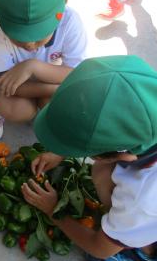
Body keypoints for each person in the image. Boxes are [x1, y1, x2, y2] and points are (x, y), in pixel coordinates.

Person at [22, 55, 157, 260]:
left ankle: (141, 245)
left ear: (121, 155)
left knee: (101, 252)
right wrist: (62, 150)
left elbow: (99, 248)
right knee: (102, 171)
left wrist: (53, 211)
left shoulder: (141, 200)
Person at [0, 0, 88, 141]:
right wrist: (55, 89)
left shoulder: (70, 21)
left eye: (39, 35)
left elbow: (77, 73)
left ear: (61, 9)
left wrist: (32, 66)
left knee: (59, 107)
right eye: (18, 36)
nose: (29, 44)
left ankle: (43, 104)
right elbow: (5, 83)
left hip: (50, 75)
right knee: (19, 110)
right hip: (17, 84)